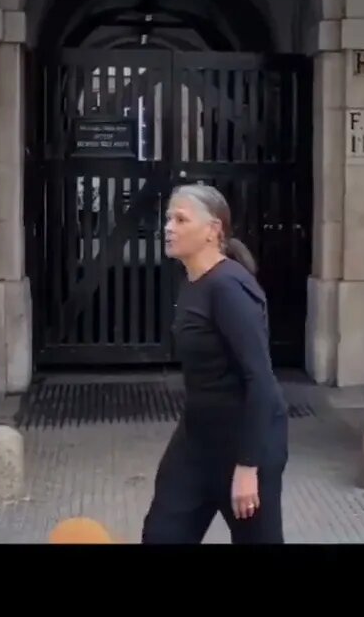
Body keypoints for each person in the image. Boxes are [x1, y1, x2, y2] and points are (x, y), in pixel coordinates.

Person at [141, 183, 290, 544]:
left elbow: (261, 381)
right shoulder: (193, 281)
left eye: (180, 219)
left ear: (213, 231)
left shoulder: (229, 288)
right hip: (197, 441)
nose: (169, 227)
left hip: (246, 445)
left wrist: (247, 468)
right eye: (168, 218)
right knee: (162, 535)